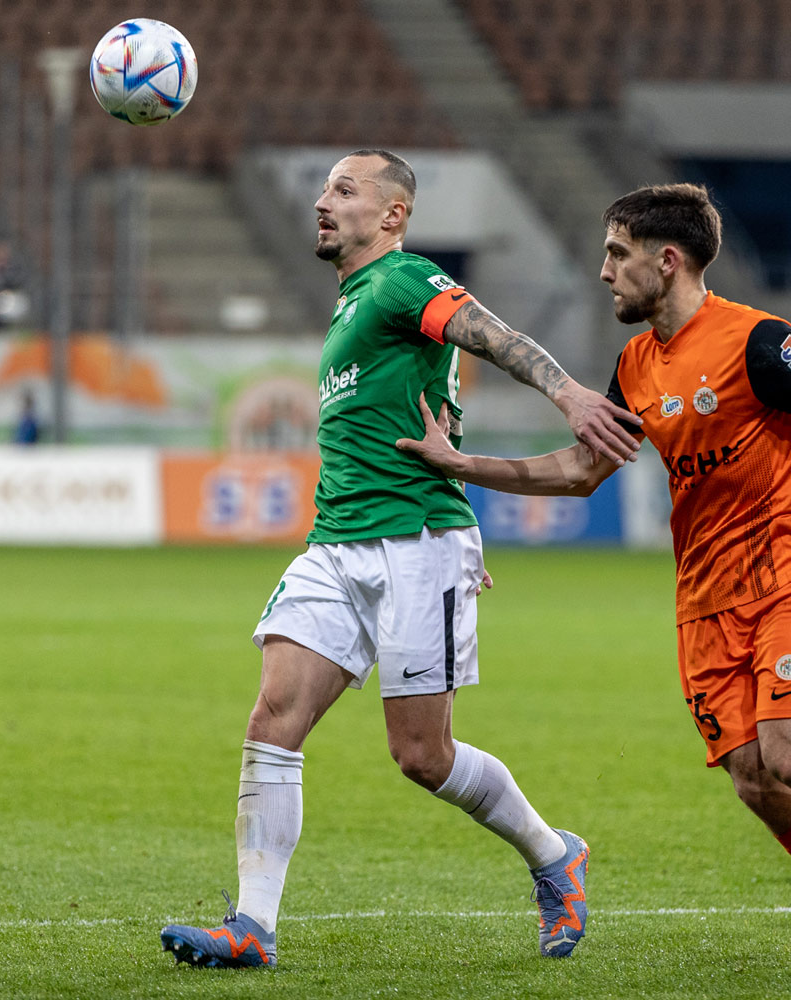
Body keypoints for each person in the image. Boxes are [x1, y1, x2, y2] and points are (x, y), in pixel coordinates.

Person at [396, 183, 791, 974]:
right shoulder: (636, 365)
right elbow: (582, 470)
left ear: (667, 260)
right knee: (758, 782)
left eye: (618, 253)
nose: (605, 270)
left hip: (784, 571)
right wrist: (461, 466)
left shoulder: (757, 342)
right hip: (704, 602)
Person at [158, 149, 642, 969]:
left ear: (393, 215)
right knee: (273, 720)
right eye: (323, 188)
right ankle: (252, 926)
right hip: (336, 543)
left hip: (416, 538)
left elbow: (492, 335)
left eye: (344, 190)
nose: (323, 201)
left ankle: (555, 855)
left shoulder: (402, 279)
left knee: (423, 756)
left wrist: (568, 395)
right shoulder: (354, 304)